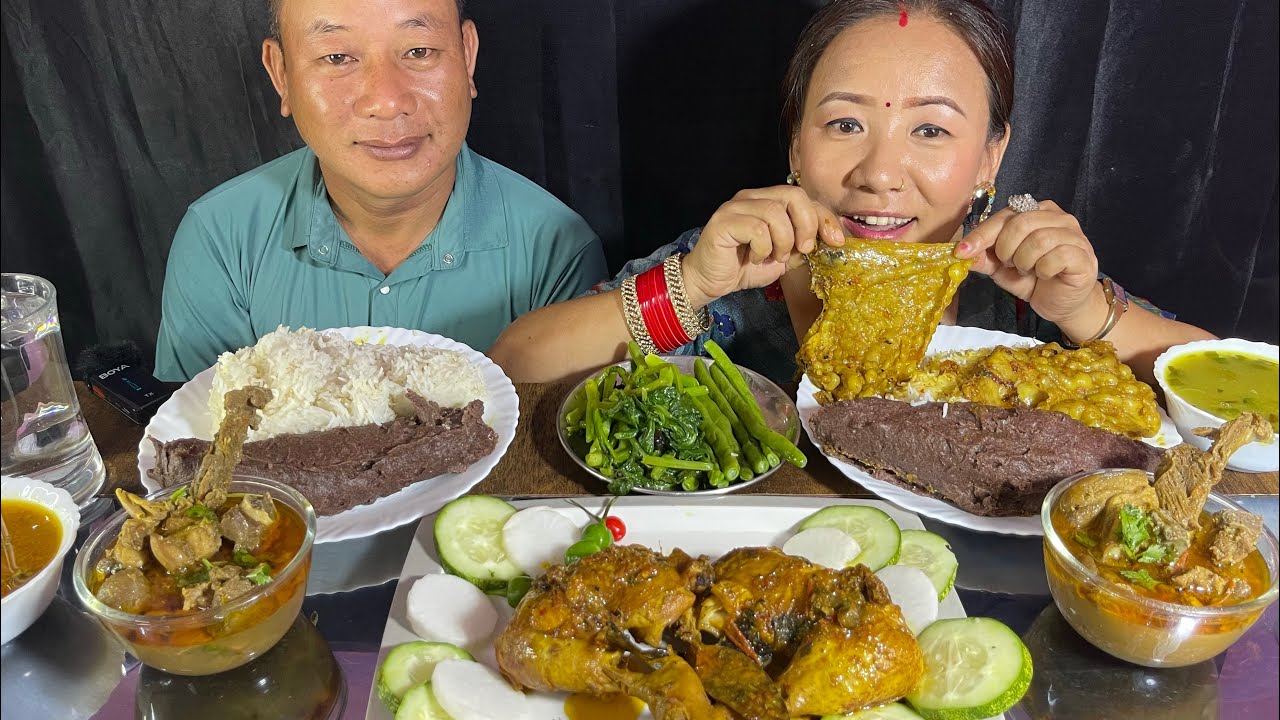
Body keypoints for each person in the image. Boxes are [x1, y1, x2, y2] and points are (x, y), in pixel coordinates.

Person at [488, 0, 1212, 387]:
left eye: (930, 131)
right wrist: (692, 284)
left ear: (992, 155)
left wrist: (1085, 312)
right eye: (844, 123)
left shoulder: (1023, 287)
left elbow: (1242, 402)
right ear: (797, 147)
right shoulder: (744, 270)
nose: (880, 173)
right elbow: (518, 365)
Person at [154, 0, 606, 381]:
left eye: (419, 50)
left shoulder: (556, 249)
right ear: (281, 74)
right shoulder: (218, 239)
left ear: (467, 56)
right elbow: (198, 452)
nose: (387, 101)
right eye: (337, 58)